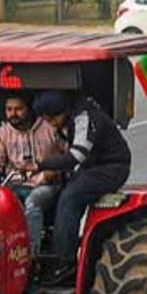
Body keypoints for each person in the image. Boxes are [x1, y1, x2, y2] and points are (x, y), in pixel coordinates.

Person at [32, 91, 132, 279]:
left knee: (70, 198)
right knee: (56, 193)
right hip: (90, 167)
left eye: (53, 118)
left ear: (64, 111)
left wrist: (41, 165)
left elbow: (75, 157)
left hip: (111, 167)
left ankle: (65, 261)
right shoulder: (70, 117)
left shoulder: (86, 117)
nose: (52, 123)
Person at [0, 93, 65, 254]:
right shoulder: (2, 133)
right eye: (9, 109)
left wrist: (52, 172)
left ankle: (31, 255)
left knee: (33, 202)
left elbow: (69, 157)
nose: (13, 114)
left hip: (46, 185)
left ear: (29, 109)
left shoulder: (49, 127)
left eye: (19, 109)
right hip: (14, 185)